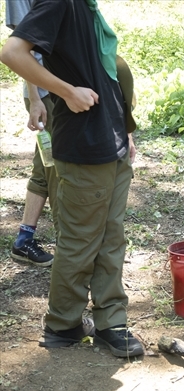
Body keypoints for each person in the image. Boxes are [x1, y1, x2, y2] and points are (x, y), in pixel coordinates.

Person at [1, 0, 143, 357]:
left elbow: (110, 69)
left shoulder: (85, 5)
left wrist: (125, 127)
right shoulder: (60, 1)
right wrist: (65, 91)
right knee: (81, 241)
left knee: (112, 237)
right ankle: (63, 324)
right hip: (83, 143)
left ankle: (112, 321)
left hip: (111, 137)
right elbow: (13, 52)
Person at [6, 0, 58, 267]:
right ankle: (64, 241)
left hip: (60, 90)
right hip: (44, 94)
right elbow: (20, 48)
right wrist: (35, 98)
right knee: (53, 167)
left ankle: (25, 240)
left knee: (48, 165)